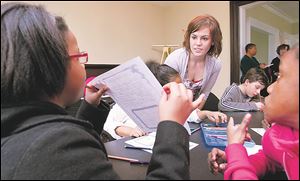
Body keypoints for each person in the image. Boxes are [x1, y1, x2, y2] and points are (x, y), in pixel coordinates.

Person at [1, 2, 204, 179]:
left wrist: (90, 107)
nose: (84, 62)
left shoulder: (22, 131)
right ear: (50, 67)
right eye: (79, 55)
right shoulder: (56, 148)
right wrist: (172, 125)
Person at [208, 43, 299, 180]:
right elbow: (273, 160)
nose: (269, 90)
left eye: (281, 78)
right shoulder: (286, 136)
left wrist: (235, 151)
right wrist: (237, 161)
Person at [104, 61, 227, 139]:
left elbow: (189, 115)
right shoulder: (130, 101)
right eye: (176, 86)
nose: (181, 89)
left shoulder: (170, 103)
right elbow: (109, 124)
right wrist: (129, 131)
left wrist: (206, 113)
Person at [164, 14, 223, 110]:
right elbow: (166, 94)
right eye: (194, 37)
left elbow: (204, 94)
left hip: (192, 108)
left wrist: (196, 116)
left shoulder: (216, 64)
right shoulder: (175, 59)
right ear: (189, 37)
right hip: (171, 108)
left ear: (213, 41)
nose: (198, 43)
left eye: (204, 38)